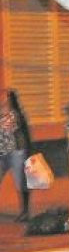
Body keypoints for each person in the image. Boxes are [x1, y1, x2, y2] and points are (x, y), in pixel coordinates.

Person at [0, 89, 32, 221]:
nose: (3, 98)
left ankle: (25, 211)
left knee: (20, 181)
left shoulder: (16, 114)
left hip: (17, 152)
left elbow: (23, 130)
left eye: (5, 96)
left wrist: (30, 150)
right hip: (2, 153)